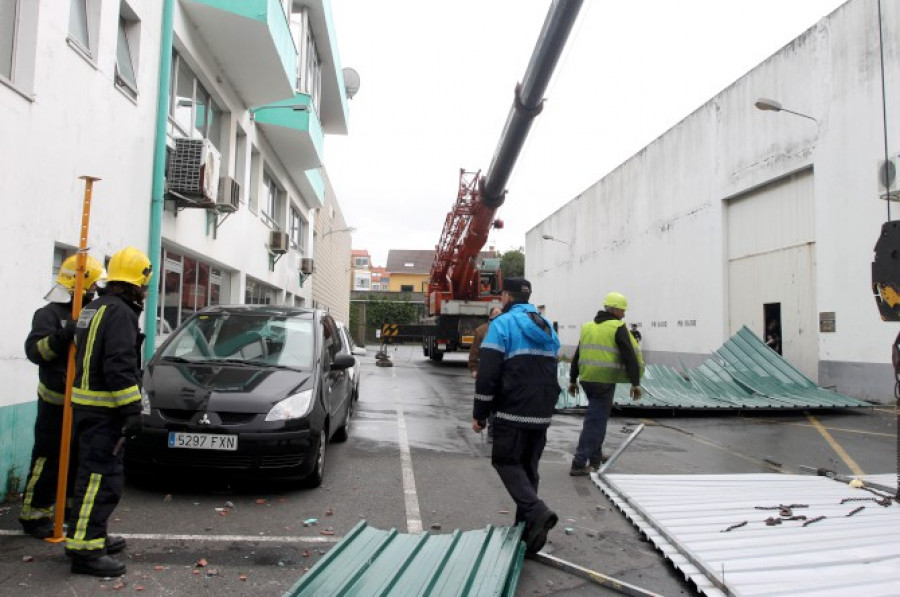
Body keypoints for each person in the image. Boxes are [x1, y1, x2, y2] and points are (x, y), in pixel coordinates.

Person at [65, 247, 152, 577]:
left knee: (90, 477)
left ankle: (91, 537)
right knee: (101, 481)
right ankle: (85, 551)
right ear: (133, 284)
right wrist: (132, 409)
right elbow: (119, 365)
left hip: (88, 408)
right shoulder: (121, 314)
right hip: (105, 412)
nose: (146, 291)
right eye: (144, 285)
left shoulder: (95, 307)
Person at [19, 255, 106, 538]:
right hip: (55, 403)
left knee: (77, 459)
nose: (95, 291)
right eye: (92, 286)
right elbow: (36, 353)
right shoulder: (48, 314)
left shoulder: (90, 313)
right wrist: (61, 336)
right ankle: (34, 514)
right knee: (48, 458)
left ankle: (68, 511)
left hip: (79, 402)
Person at [472, 277, 561, 555]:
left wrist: (480, 414)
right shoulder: (546, 326)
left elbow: (487, 374)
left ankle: (537, 511)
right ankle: (527, 534)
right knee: (528, 469)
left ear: (506, 298)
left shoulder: (501, 325)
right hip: (542, 410)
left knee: (505, 461)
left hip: (512, 408)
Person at [568, 292, 644, 476]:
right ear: (616, 310)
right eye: (623, 310)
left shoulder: (588, 327)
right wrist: (635, 383)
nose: (624, 314)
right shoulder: (617, 326)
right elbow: (629, 356)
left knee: (596, 417)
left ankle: (595, 457)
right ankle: (579, 462)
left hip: (587, 379)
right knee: (596, 421)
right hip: (604, 380)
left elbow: (578, 355)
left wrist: (572, 379)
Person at [468, 306, 503, 379]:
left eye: (499, 314)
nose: (497, 316)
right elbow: (474, 351)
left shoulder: (505, 330)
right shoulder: (481, 331)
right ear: (490, 316)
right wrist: (474, 369)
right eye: (495, 313)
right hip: (485, 369)